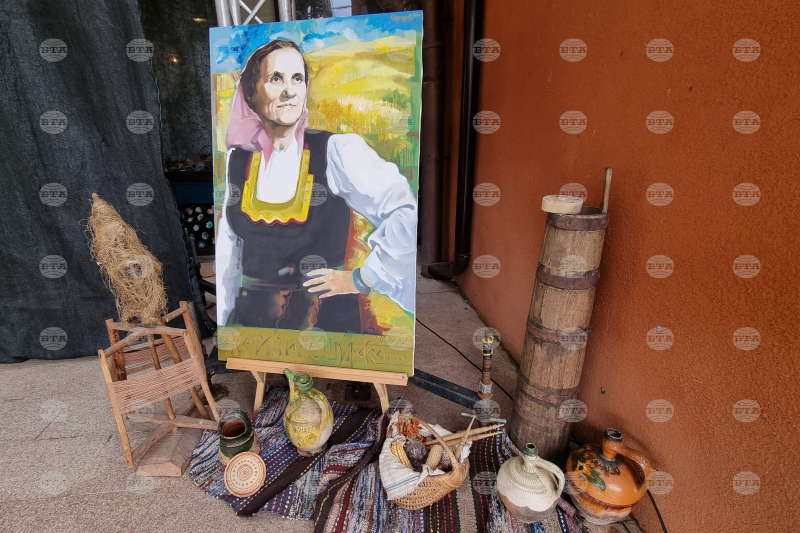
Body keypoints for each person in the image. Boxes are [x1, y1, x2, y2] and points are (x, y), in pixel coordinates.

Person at [216, 39, 417, 334]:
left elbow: (404, 210)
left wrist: (363, 278)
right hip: (255, 330)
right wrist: (223, 326)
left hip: (327, 329)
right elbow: (229, 251)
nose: (290, 91)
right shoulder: (238, 160)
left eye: (298, 78)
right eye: (276, 78)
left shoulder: (337, 151)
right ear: (251, 92)